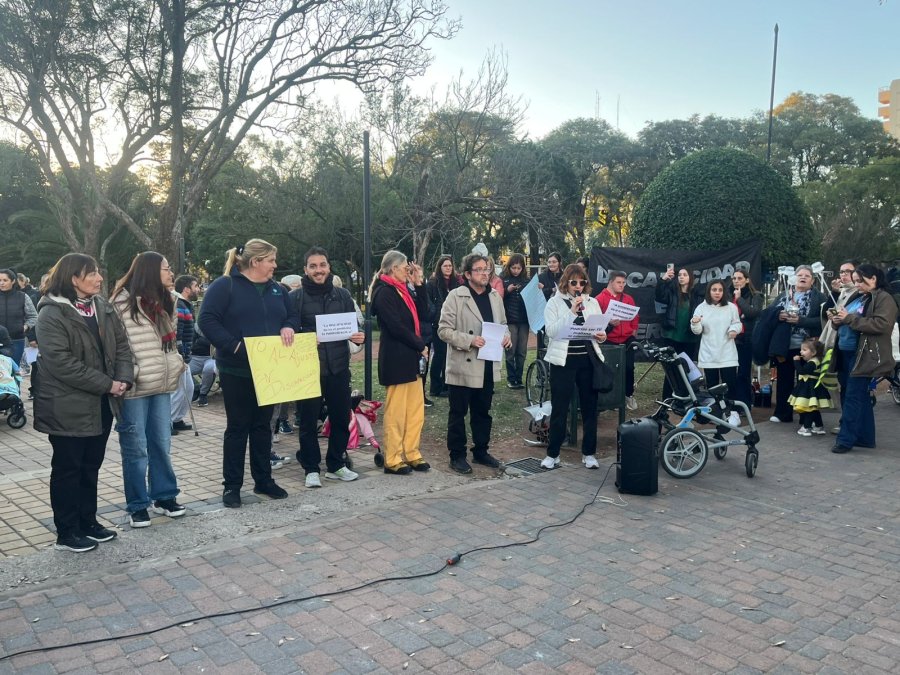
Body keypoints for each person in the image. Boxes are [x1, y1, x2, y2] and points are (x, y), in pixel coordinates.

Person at [33, 254, 134, 552]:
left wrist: (124, 379)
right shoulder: (51, 314)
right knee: (68, 468)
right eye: (92, 274)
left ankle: (88, 522)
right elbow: (61, 363)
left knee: (91, 465)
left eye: (99, 272)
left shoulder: (101, 307)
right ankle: (67, 532)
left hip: (102, 403)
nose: (100, 278)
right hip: (66, 406)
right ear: (73, 278)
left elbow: (123, 347)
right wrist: (108, 384)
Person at [198, 239, 297, 507]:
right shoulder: (225, 285)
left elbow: (292, 316)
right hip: (237, 370)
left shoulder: (278, 290)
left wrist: (288, 326)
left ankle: (264, 480)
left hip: (269, 370)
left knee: (263, 427)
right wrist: (233, 345)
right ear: (255, 262)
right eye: (271, 260)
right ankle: (232, 487)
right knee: (238, 428)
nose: (275, 265)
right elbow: (206, 320)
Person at [111, 252, 186, 528]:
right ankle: (138, 504)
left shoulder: (170, 300)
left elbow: (173, 341)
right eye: (166, 269)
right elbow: (118, 345)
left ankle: (164, 496)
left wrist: (177, 364)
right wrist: (133, 372)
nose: (171, 273)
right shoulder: (120, 303)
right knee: (136, 447)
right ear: (151, 271)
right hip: (136, 386)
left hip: (163, 383)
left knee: (161, 443)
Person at [291, 247, 364, 488]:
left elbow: (352, 327)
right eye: (313, 266)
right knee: (309, 421)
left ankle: (336, 464)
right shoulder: (295, 298)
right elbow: (288, 332)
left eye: (322, 265)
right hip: (309, 369)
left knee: (341, 418)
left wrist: (357, 337)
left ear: (328, 267)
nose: (318, 270)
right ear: (305, 270)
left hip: (339, 367)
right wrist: (305, 336)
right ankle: (311, 469)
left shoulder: (342, 295)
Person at [438, 253, 511, 474]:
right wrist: (470, 340)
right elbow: (443, 330)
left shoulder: (496, 297)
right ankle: (457, 455)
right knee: (458, 412)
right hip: (464, 363)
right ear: (467, 274)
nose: (484, 273)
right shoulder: (456, 296)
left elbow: (504, 323)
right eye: (478, 269)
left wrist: (507, 336)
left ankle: (481, 450)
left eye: (486, 269)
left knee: (483, 411)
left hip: (487, 362)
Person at [541, 264, 608, 470]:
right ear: (566, 283)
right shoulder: (554, 303)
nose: (578, 286)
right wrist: (571, 311)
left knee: (589, 408)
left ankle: (589, 453)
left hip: (587, 361)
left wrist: (602, 336)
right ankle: (553, 454)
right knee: (560, 407)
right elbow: (551, 331)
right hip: (564, 362)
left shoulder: (593, 302)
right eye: (573, 282)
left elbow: (599, 331)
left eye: (582, 282)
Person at [369, 250, 431, 474]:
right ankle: (393, 457)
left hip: (411, 359)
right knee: (397, 412)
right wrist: (419, 344)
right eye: (406, 268)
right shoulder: (384, 293)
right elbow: (396, 326)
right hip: (396, 358)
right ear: (393, 269)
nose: (409, 271)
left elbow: (425, 313)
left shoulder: (405, 290)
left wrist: (419, 283)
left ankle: (412, 452)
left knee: (415, 410)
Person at [831, 264, 898, 453]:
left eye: (860, 281)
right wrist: (837, 320)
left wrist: (848, 319)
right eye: (855, 281)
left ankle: (845, 440)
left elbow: (882, 325)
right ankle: (866, 437)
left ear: (874, 279)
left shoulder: (884, 298)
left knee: (853, 396)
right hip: (848, 351)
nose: (857, 284)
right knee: (858, 396)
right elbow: (848, 318)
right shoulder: (862, 296)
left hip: (864, 355)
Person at [765, 265, 826, 424]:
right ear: (794, 278)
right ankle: (783, 413)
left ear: (812, 280)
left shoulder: (819, 298)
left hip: (808, 347)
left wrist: (801, 321)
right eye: (800, 275)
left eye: (807, 275)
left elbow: (823, 320)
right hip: (785, 345)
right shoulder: (784, 295)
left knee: (807, 381)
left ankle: (807, 416)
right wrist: (779, 315)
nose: (803, 278)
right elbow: (769, 313)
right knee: (784, 379)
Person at [690, 280, 743, 427]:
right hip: (708, 353)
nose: (717, 292)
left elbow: (737, 323)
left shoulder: (731, 307)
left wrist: (734, 330)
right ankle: (717, 413)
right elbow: (697, 331)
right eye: (714, 289)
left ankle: (733, 413)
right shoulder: (701, 307)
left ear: (724, 292)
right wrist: (695, 322)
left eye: (720, 290)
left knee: (730, 384)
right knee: (712, 386)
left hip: (728, 353)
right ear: (709, 291)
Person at [819, 260, 858, 433]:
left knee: (852, 388)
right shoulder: (842, 292)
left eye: (848, 271)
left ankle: (851, 424)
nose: (843, 275)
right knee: (844, 384)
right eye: (841, 271)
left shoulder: (859, 293)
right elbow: (828, 311)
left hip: (853, 346)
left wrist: (841, 318)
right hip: (840, 344)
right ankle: (846, 422)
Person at [655, 266, 703, 401]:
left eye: (684, 275)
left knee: (687, 368)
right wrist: (663, 280)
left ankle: (687, 397)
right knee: (671, 368)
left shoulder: (696, 294)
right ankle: (668, 398)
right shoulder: (672, 291)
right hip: (672, 337)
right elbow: (659, 296)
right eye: (679, 275)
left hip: (689, 337)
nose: (681, 277)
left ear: (690, 278)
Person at [596, 270, 640, 410]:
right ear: (610, 282)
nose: (622, 286)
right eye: (619, 282)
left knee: (629, 367)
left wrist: (633, 330)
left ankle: (628, 395)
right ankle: (613, 396)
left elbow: (635, 316)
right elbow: (596, 323)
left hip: (627, 338)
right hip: (609, 339)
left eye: (623, 283)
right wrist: (609, 324)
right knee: (610, 369)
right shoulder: (599, 299)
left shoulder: (628, 298)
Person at [425, 255, 460, 398]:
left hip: (453, 323)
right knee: (439, 355)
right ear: (440, 267)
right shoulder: (433, 283)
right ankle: (435, 387)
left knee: (450, 355)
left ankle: (447, 385)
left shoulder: (455, 283)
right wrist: (435, 316)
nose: (448, 268)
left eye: (450, 266)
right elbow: (429, 304)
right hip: (437, 324)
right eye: (445, 266)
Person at [730, 266, 763, 411]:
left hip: (746, 339)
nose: (736, 281)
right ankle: (731, 403)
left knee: (743, 372)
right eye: (734, 278)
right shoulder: (728, 296)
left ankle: (744, 404)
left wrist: (740, 300)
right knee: (731, 372)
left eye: (740, 278)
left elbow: (753, 312)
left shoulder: (756, 295)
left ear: (747, 280)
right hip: (731, 339)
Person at [170, 275, 199, 434]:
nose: (198, 289)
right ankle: (168, 421)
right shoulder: (179, 304)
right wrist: (180, 351)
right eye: (195, 286)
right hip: (180, 354)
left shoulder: (185, 304)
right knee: (180, 388)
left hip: (186, 353)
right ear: (187, 289)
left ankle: (176, 419)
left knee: (188, 387)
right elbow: (177, 331)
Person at [788, 338, 831, 436]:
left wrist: (796, 362)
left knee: (808, 408)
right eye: (801, 349)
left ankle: (807, 427)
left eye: (804, 350)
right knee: (814, 409)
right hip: (811, 386)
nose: (801, 352)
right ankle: (819, 426)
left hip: (809, 388)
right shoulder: (816, 361)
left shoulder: (813, 362)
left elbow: (802, 371)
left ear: (813, 352)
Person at [501, 253, 530, 390]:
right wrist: (508, 290)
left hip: (524, 320)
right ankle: (511, 379)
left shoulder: (527, 280)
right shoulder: (503, 278)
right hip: (510, 319)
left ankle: (519, 378)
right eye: (513, 268)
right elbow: (498, 296)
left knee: (522, 351)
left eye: (519, 268)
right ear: (509, 267)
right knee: (510, 350)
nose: (516, 270)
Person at [0, 268, 38, 367]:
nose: (1, 283)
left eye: (5, 280)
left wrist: (25, 327)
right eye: (0, 280)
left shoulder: (23, 297)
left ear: (13, 281)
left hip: (17, 340)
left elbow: (33, 316)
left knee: (13, 370)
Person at [188, 327, 216, 407]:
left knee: (209, 369)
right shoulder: (194, 327)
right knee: (182, 369)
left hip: (211, 357)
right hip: (194, 357)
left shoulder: (216, 326)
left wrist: (201, 341)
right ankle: (196, 388)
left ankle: (203, 394)